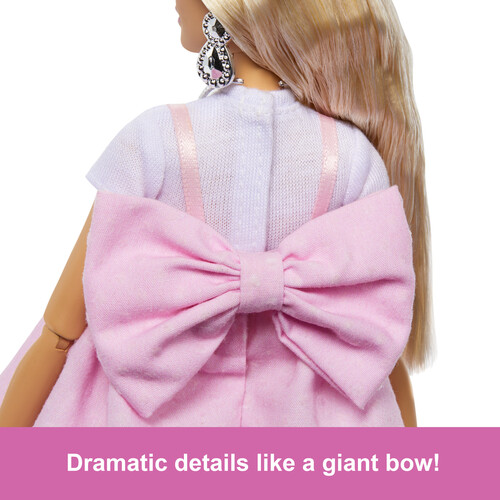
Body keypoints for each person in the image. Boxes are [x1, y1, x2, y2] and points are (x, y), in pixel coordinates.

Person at [0, 0, 433, 427]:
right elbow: (373, 337)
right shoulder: (352, 157)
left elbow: (61, 326)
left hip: (147, 422)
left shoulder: (155, 139)